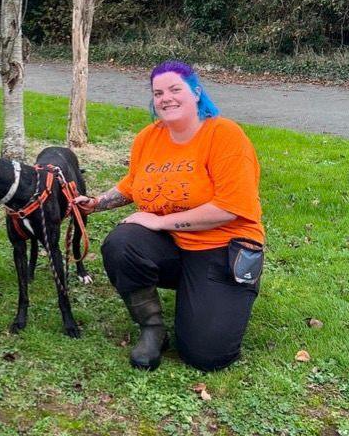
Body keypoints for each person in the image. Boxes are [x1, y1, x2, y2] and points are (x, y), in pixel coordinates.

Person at [75, 60, 264, 372]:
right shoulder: (149, 138)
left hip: (222, 249)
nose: (166, 98)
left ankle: (220, 293)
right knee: (122, 243)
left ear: (196, 92)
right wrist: (95, 203)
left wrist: (160, 221)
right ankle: (152, 328)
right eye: (158, 92)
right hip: (174, 247)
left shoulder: (225, 135)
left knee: (207, 356)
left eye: (175, 89)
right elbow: (132, 185)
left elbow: (230, 207)